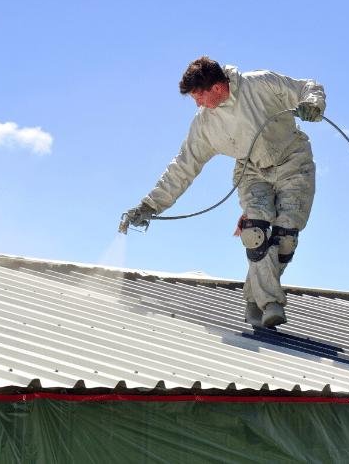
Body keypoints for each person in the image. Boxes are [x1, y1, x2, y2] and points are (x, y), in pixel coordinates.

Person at [125, 56, 325, 328]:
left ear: (216, 88)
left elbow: (307, 87)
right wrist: (150, 206)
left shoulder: (260, 84)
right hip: (251, 171)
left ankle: (253, 299)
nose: (197, 103)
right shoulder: (204, 125)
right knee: (255, 232)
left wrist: (313, 103)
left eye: (198, 96)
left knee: (286, 237)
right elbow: (183, 167)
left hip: (294, 162)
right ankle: (271, 303)